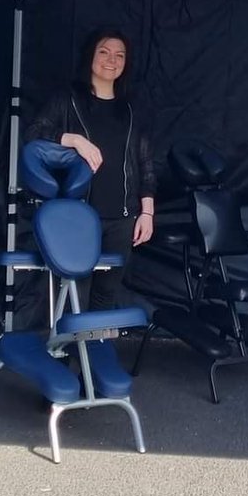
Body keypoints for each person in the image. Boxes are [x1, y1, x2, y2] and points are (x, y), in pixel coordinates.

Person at [25, 28, 156, 312]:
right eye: (104, 52)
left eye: (119, 55)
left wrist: (147, 212)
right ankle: (69, 353)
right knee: (75, 294)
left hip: (122, 218)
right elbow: (34, 133)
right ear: (91, 57)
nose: (112, 60)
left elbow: (145, 163)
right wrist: (74, 140)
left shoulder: (132, 108)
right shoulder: (68, 98)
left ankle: (94, 353)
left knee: (106, 295)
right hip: (79, 214)